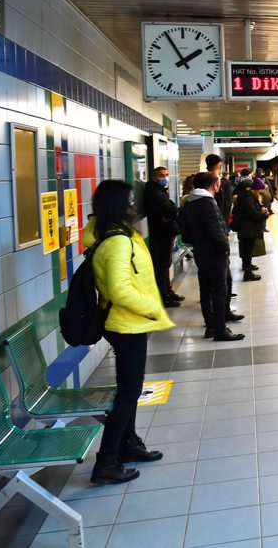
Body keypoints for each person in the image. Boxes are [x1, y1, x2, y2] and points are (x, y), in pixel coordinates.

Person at [84, 180, 173, 484]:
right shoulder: (118, 240)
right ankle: (107, 460)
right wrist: (151, 308)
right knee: (128, 393)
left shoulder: (110, 234)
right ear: (119, 207)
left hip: (126, 323)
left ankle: (129, 443)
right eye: (130, 203)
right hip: (127, 323)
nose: (135, 207)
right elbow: (120, 289)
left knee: (130, 389)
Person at [179, 172, 245, 341]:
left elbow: (185, 233)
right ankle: (220, 330)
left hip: (201, 251)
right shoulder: (206, 203)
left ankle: (211, 327)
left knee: (206, 290)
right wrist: (225, 247)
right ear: (215, 185)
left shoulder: (190, 202)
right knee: (219, 291)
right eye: (218, 183)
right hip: (214, 253)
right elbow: (215, 230)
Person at [206, 155, 242, 316]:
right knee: (223, 278)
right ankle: (221, 313)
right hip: (217, 238)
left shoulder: (198, 194)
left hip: (207, 244)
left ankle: (215, 314)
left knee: (209, 282)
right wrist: (225, 232)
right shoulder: (221, 186)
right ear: (220, 166)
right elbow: (225, 209)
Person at [142, 166, 183, 306]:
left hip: (165, 231)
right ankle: (163, 296)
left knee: (166, 264)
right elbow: (170, 211)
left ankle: (168, 291)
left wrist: (171, 211)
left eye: (166, 174)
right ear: (154, 177)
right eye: (161, 175)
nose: (164, 178)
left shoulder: (160, 191)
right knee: (161, 266)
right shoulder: (154, 193)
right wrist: (172, 212)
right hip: (160, 232)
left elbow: (171, 210)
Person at [232, 179, 269, 281]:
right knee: (248, 250)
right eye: (260, 190)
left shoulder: (246, 196)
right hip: (248, 229)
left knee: (247, 250)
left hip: (246, 228)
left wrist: (260, 208)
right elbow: (254, 214)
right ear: (255, 189)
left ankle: (247, 266)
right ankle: (248, 273)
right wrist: (264, 215)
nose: (260, 192)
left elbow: (252, 210)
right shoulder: (248, 198)